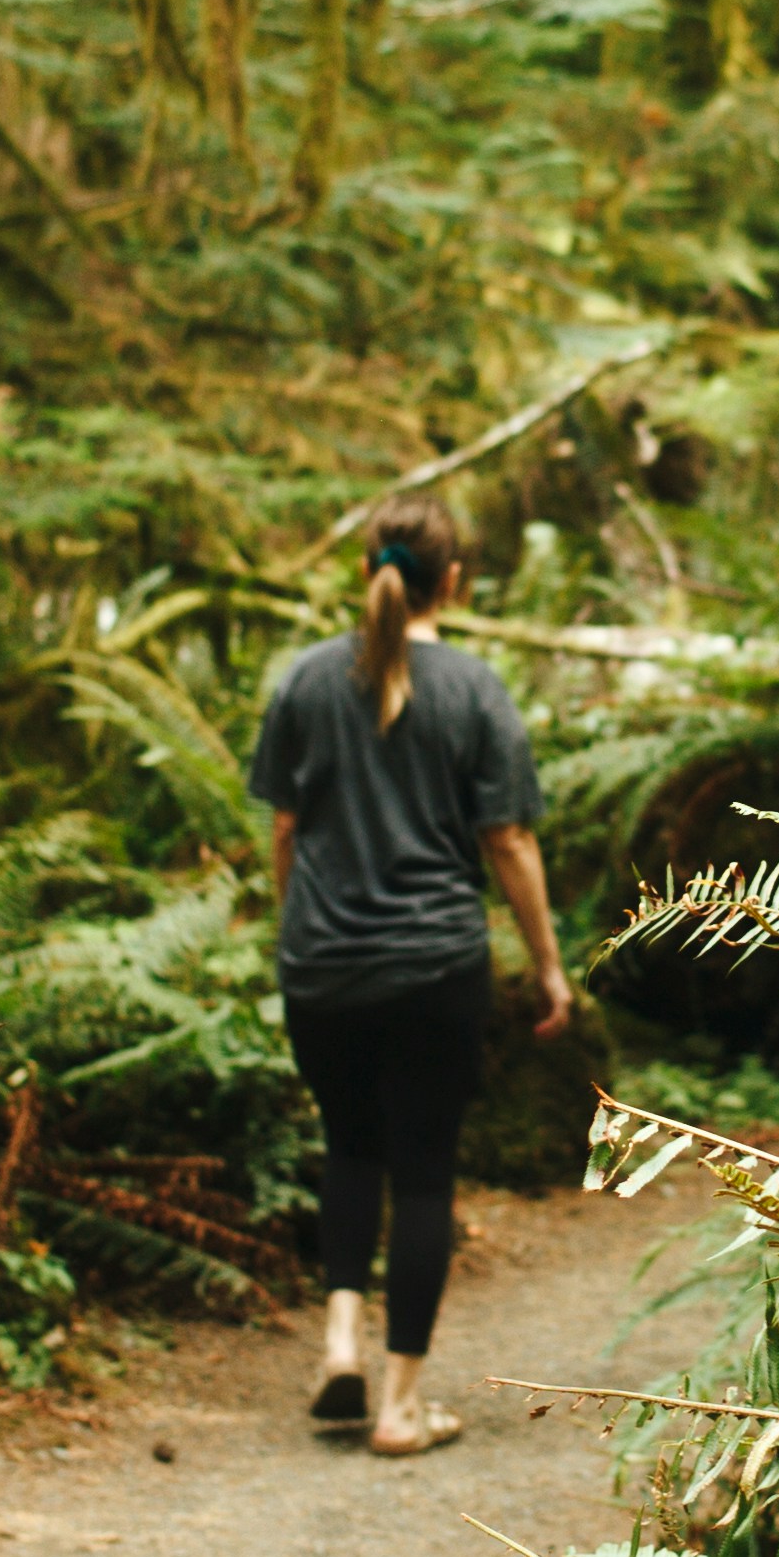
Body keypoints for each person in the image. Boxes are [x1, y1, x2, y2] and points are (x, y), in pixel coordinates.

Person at [244, 497, 572, 1456]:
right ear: (454, 584)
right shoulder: (475, 691)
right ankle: (398, 1407)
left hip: (323, 970)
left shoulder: (306, 681)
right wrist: (548, 966)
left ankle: (340, 1338)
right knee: (423, 1176)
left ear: (365, 573)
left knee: (350, 1148)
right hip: (434, 967)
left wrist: (294, 929)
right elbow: (506, 840)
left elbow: (283, 828)